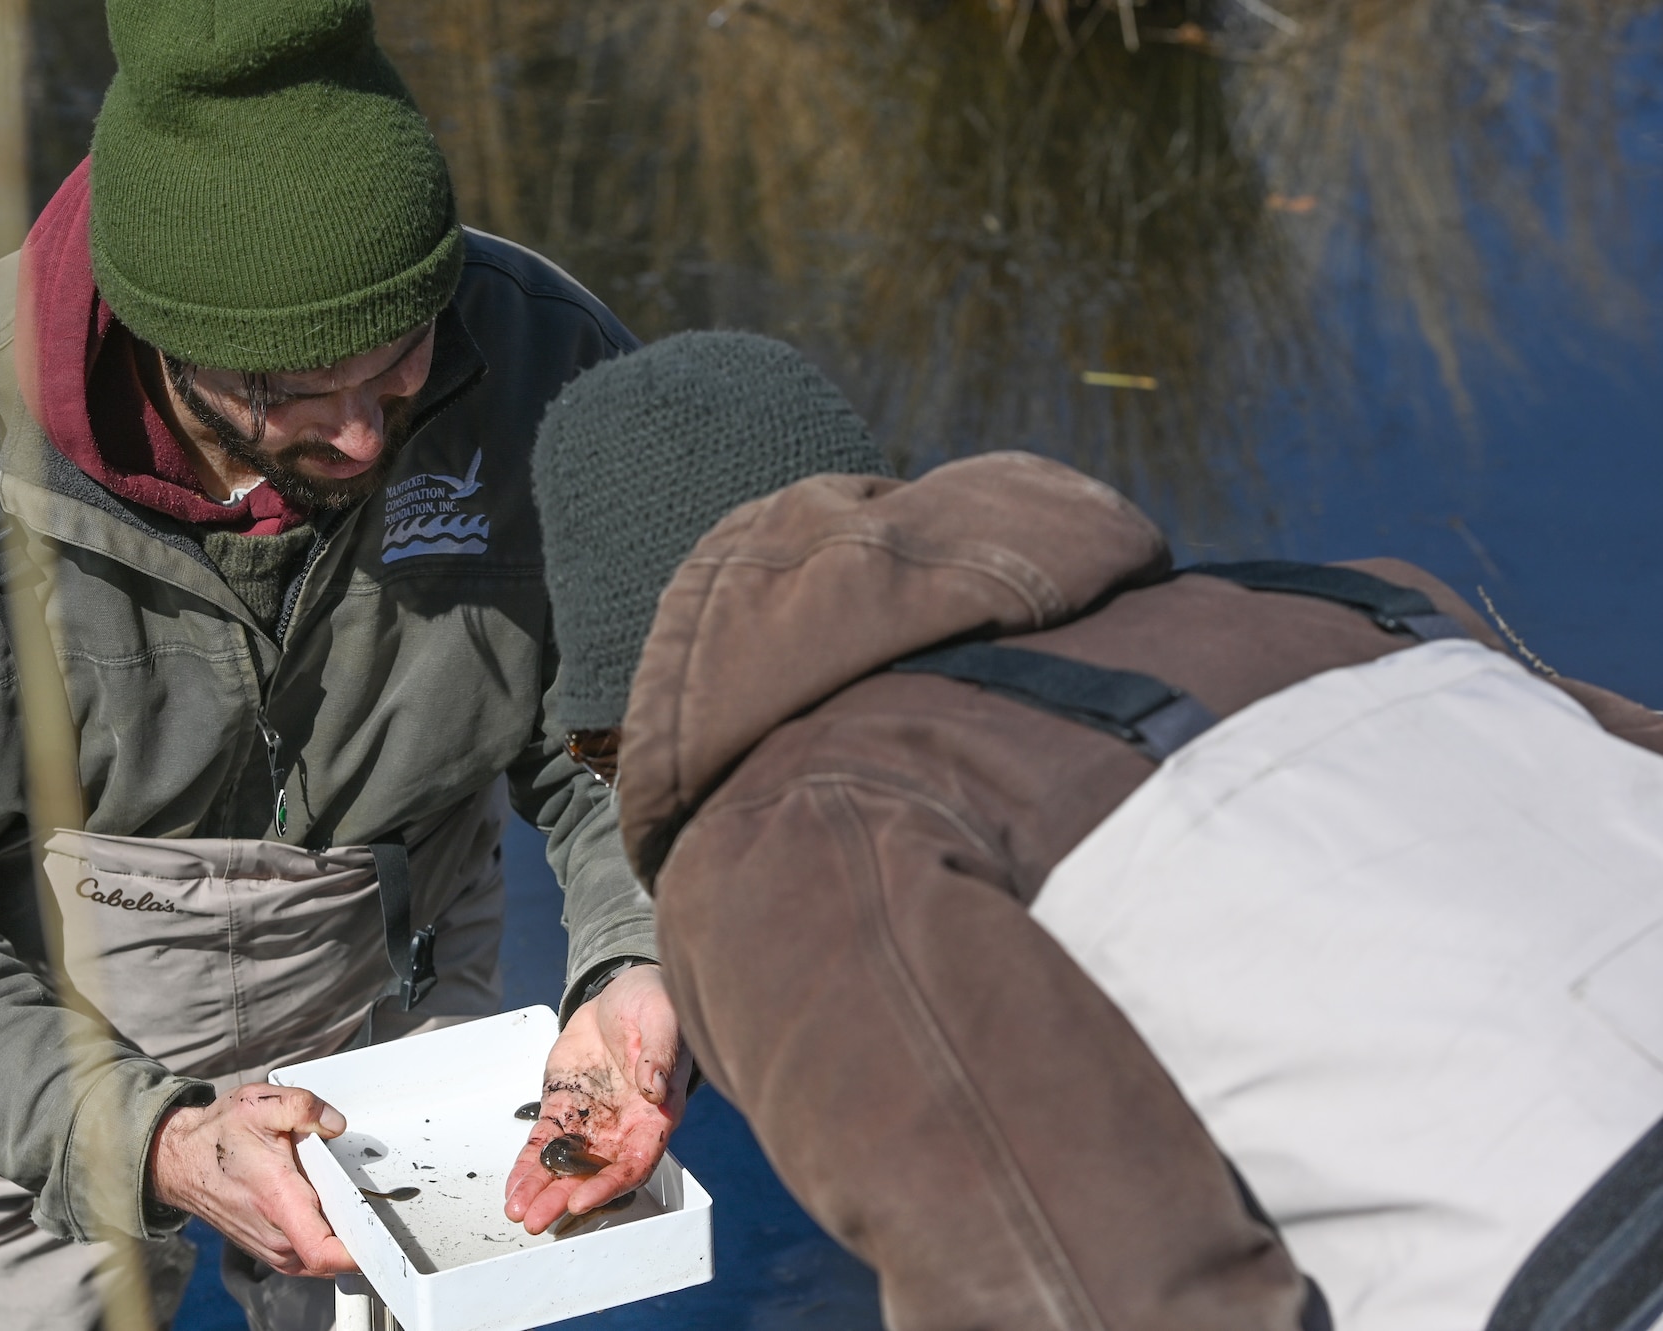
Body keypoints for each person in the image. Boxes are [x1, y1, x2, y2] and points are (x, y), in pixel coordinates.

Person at [0, 3, 690, 1328]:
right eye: (291, 388)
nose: (359, 436)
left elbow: (618, 732)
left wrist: (635, 948)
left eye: (404, 355)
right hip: (21, 1035)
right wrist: (160, 1139)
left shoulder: (552, 366)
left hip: (400, 971)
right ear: (150, 322)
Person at [527, 330, 1663, 1331]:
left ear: (650, 697)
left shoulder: (792, 833)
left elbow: (1075, 1296)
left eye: (603, 756)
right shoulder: (1329, 601)